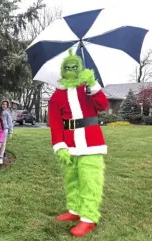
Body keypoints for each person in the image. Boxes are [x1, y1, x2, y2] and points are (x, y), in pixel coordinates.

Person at [48, 49, 108, 237]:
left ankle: (88, 218)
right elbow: (55, 123)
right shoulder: (57, 96)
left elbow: (103, 106)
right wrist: (59, 145)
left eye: (75, 67)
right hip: (70, 144)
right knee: (72, 179)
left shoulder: (88, 88)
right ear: (63, 70)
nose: (71, 69)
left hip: (91, 142)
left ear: (80, 68)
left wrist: (93, 85)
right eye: (68, 67)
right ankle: (74, 210)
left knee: (90, 180)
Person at [0, 100, 13, 164]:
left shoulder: (7, 113)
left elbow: (10, 123)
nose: (4, 105)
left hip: (4, 130)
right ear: (1, 104)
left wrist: (10, 132)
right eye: (3, 104)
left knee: (3, 143)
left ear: (7, 106)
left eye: (5, 104)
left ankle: (1, 157)